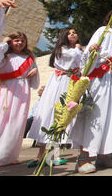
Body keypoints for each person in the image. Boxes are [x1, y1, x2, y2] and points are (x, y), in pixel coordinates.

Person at [70, 8, 112, 174]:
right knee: (95, 115)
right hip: (101, 77)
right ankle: (83, 157)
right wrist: (92, 50)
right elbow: (88, 55)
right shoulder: (102, 31)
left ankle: (104, 155)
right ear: (110, 17)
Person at [0, 32, 39, 169]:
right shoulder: (3, 55)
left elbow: (35, 84)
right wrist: (4, 43)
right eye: (16, 40)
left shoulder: (29, 58)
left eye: (22, 41)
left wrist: (34, 72)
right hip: (2, 91)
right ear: (11, 42)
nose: (19, 43)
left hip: (21, 92)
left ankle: (8, 155)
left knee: (14, 122)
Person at [27, 28, 83, 168]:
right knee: (50, 113)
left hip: (71, 82)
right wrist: (77, 49)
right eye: (70, 33)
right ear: (65, 36)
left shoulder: (78, 50)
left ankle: (54, 155)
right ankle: (40, 155)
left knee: (62, 116)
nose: (73, 34)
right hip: (59, 82)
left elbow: (82, 63)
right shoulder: (62, 49)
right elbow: (69, 60)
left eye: (75, 32)